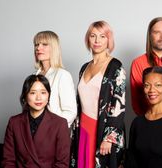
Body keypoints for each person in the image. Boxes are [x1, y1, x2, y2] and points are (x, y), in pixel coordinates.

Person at [70, 21, 126, 168]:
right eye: (93, 36)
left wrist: (109, 137)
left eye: (102, 36)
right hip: (82, 127)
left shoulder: (116, 66)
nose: (97, 40)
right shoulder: (84, 68)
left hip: (102, 128)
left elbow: (118, 103)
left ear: (109, 39)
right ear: (88, 39)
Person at [2, 74, 70, 168]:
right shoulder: (14, 123)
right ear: (25, 96)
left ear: (48, 95)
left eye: (43, 92)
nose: (38, 98)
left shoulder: (60, 124)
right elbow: (8, 161)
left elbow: (62, 164)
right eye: (33, 93)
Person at [33, 30, 77, 127]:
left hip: (53, 133)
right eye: (36, 44)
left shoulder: (63, 75)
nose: (38, 48)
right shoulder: (35, 75)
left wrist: (52, 129)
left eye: (44, 44)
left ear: (54, 48)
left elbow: (71, 112)